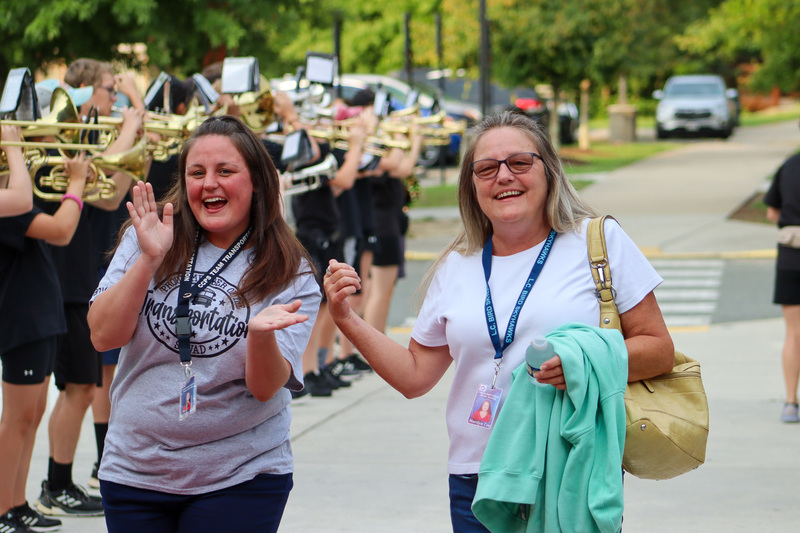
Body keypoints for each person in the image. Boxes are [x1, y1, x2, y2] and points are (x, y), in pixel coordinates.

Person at [324, 111, 674, 531]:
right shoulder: (456, 266)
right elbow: (415, 377)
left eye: (520, 163)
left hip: (569, 468)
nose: (503, 176)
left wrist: (582, 362)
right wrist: (346, 319)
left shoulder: (598, 243)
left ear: (549, 171)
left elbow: (659, 350)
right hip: (477, 478)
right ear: (471, 187)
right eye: (486, 168)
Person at [87, 115, 320, 533]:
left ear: (257, 183)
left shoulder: (290, 270)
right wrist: (148, 260)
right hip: (134, 470)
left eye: (225, 171)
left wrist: (261, 336)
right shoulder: (149, 234)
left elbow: (265, 387)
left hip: (240, 476)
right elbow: (104, 334)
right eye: (197, 173)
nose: (209, 183)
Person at [34, 58, 145, 517]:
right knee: (76, 387)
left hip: (79, 279)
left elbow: (113, 193)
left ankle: (59, 480)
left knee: (80, 385)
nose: (111, 98)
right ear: (80, 91)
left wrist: (137, 144)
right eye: (105, 88)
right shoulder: (57, 143)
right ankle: (56, 482)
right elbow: (97, 186)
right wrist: (131, 124)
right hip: (66, 281)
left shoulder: (80, 143)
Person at [0, 125, 88, 533]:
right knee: (17, 419)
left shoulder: (17, 202)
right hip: (21, 318)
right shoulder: (9, 207)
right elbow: (62, 230)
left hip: (39, 313)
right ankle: (2, 511)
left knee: (32, 415)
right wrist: (76, 184)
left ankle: (15, 504)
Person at [764, 152, 800, 423]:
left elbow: (771, 212)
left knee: (794, 333)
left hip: (791, 256)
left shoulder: (788, 166)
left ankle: (790, 402)